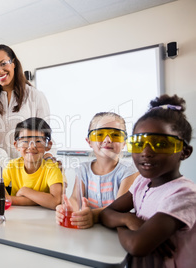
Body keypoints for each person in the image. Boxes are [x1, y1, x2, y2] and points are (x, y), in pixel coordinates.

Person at [99, 95, 195, 267]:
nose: (146, 152)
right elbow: (106, 213)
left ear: (185, 152)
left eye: (160, 144)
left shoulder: (184, 194)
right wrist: (130, 221)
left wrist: (127, 226)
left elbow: (137, 245)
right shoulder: (142, 182)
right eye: (138, 143)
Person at [55, 112, 138, 228]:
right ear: (89, 142)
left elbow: (119, 208)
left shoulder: (129, 171)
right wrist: (68, 210)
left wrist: (93, 215)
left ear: (124, 142)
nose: (108, 139)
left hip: (114, 232)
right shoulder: (83, 169)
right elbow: (75, 198)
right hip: (90, 231)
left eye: (115, 135)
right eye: (100, 134)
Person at [0, 44, 51, 159]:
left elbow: (46, 133)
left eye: (3, 63)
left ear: (13, 63)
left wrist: (48, 157)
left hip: (26, 166)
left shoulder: (34, 95)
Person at [2, 117, 63, 209]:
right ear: (16, 145)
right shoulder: (12, 165)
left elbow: (56, 201)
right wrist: (41, 200)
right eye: (25, 141)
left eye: (38, 141)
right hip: (16, 216)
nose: (31, 147)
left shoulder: (51, 167)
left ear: (48, 145)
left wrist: (25, 191)